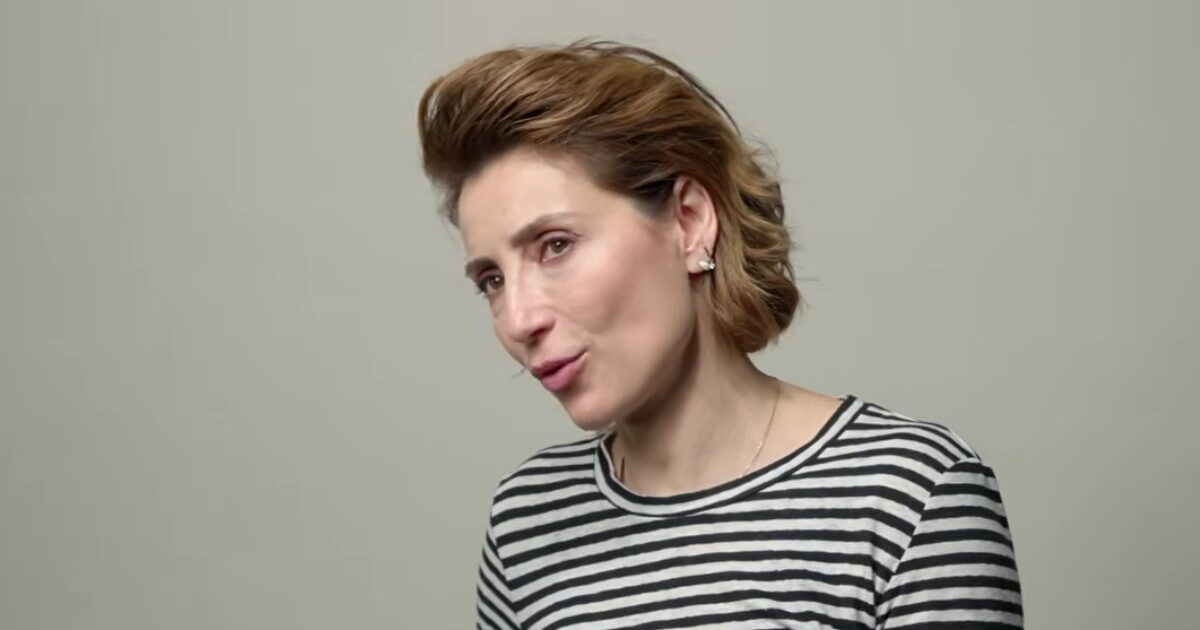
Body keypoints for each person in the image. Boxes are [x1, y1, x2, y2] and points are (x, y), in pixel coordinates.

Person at [417, 39, 1023, 630]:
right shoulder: (526, 523)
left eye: (555, 246)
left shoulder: (907, 495)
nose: (518, 319)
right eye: (491, 280)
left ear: (689, 221)